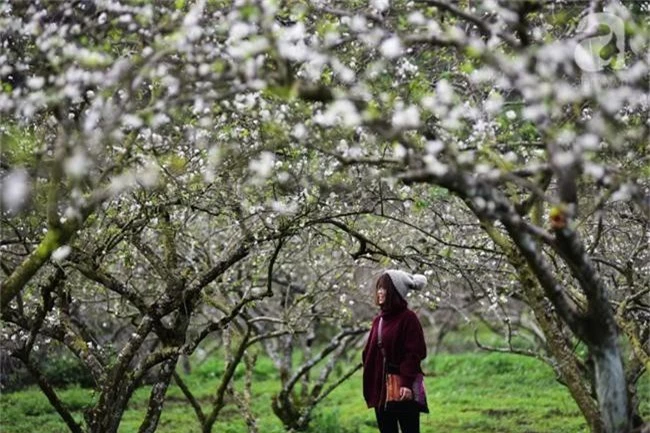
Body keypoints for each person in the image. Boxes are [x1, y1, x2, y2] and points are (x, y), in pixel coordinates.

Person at [362, 270, 428, 433]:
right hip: (381, 390)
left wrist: (406, 383)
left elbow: (414, 353)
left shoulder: (408, 318)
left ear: (395, 292)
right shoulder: (379, 320)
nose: (379, 292)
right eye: (378, 288)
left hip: (402, 388)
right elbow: (369, 352)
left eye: (384, 288)